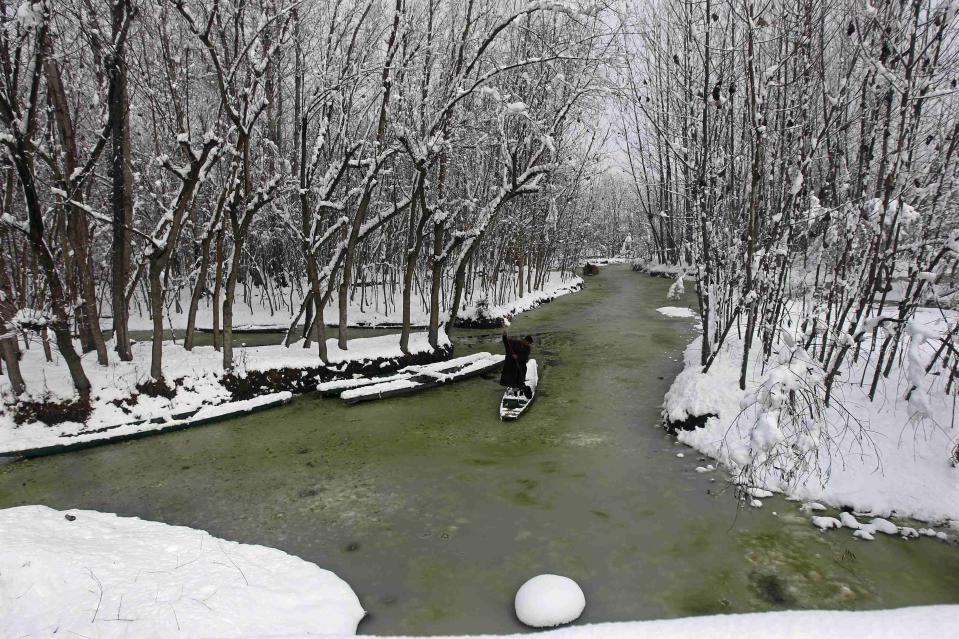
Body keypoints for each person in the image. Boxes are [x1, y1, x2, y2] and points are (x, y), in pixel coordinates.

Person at [501, 328, 533, 399]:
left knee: (521, 380)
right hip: (513, 366)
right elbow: (507, 344)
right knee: (513, 380)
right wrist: (504, 336)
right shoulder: (516, 342)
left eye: (529, 344)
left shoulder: (527, 348)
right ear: (525, 340)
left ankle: (522, 392)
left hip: (521, 367)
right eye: (528, 343)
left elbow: (525, 357)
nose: (528, 344)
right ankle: (515, 393)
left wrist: (517, 357)